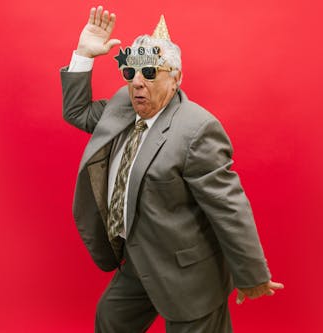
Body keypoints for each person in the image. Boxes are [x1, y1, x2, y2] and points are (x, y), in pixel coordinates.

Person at [60, 5, 283, 332]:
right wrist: (84, 54)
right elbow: (77, 112)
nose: (137, 83)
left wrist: (252, 277)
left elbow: (229, 207)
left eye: (150, 72)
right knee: (111, 318)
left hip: (188, 275)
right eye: (131, 73)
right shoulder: (123, 106)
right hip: (139, 260)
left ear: (175, 78)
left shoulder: (197, 130)